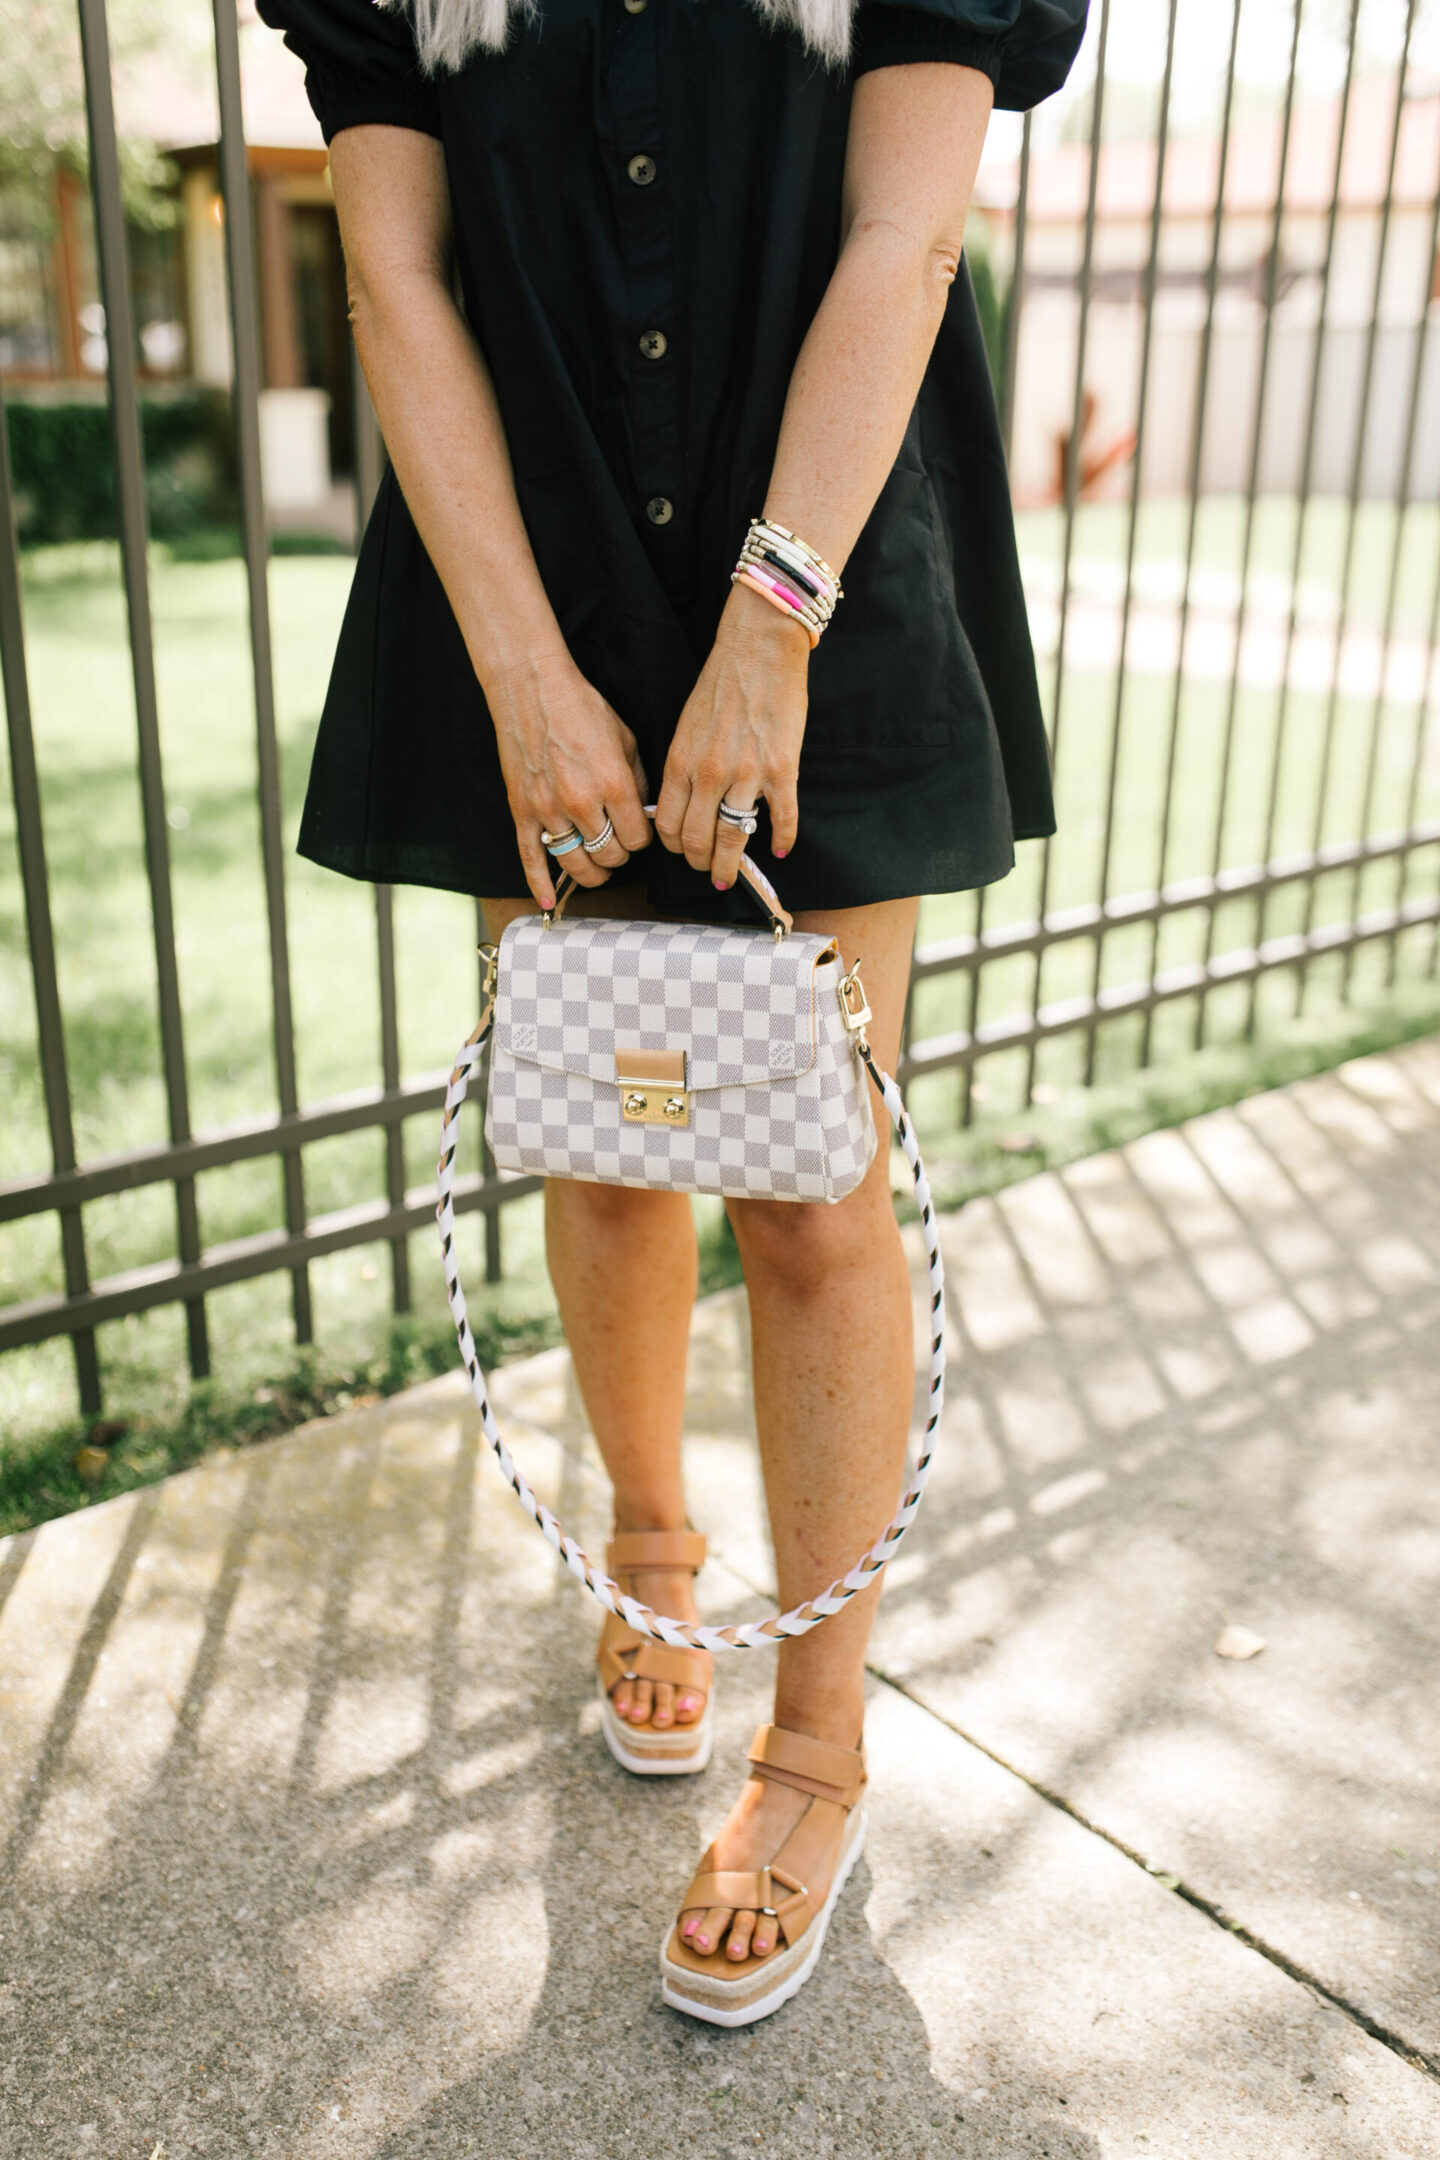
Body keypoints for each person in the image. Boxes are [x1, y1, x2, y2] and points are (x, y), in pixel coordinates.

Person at [258, 0, 1086, 2026]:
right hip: (515, 583)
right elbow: (394, 274)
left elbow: (905, 233)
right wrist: (526, 681)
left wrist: (768, 630)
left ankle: (816, 1750)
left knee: (812, 1189)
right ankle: (651, 1546)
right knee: (605, 1129)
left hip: (825, 561)